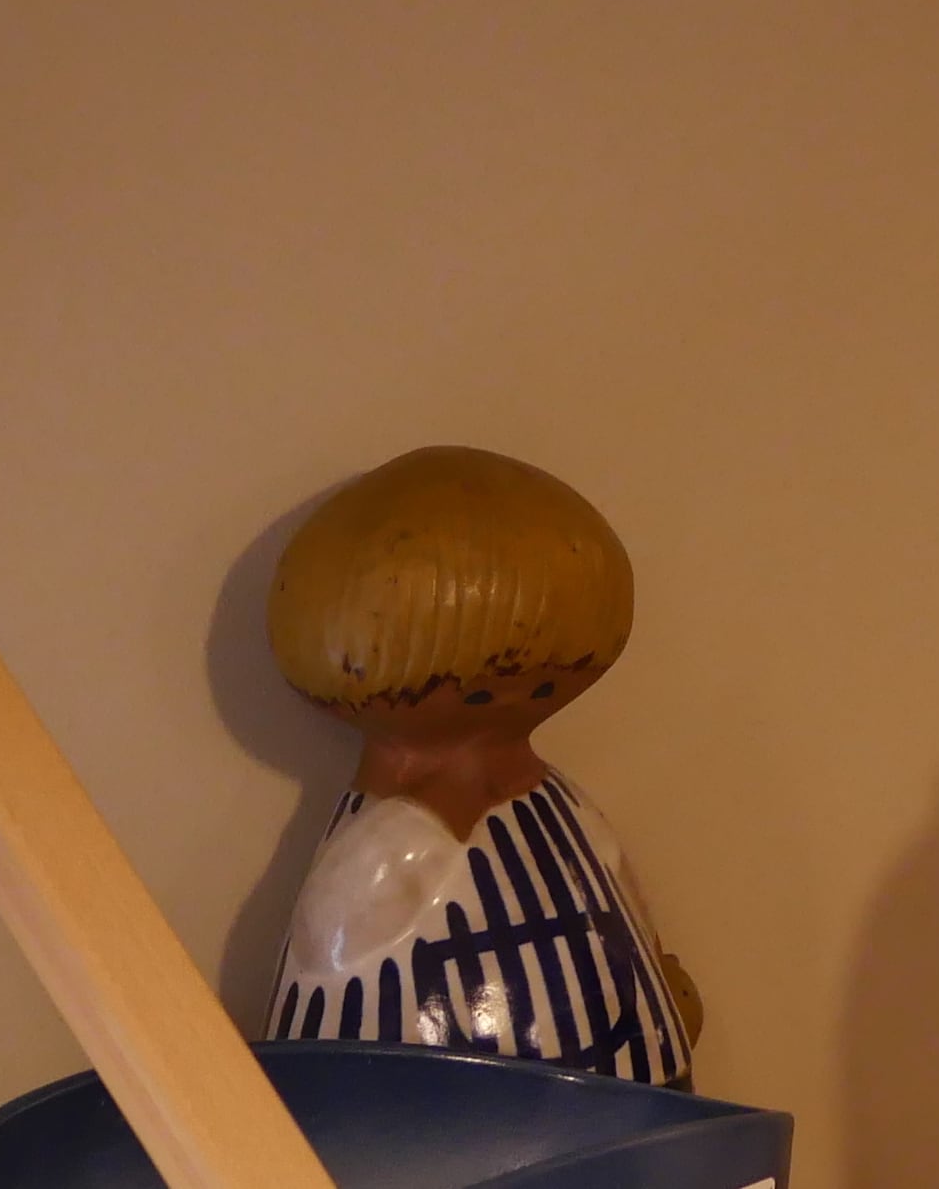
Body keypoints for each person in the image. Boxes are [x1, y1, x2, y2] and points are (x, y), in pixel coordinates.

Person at [261, 445, 696, 1086]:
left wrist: (658, 984)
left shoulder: (561, 804)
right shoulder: (391, 842)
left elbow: (620, 893)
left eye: (548, 685)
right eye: (484, 693)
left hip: (631, 1086)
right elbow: (331, 961)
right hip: (435, 1120)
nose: (515, 703)